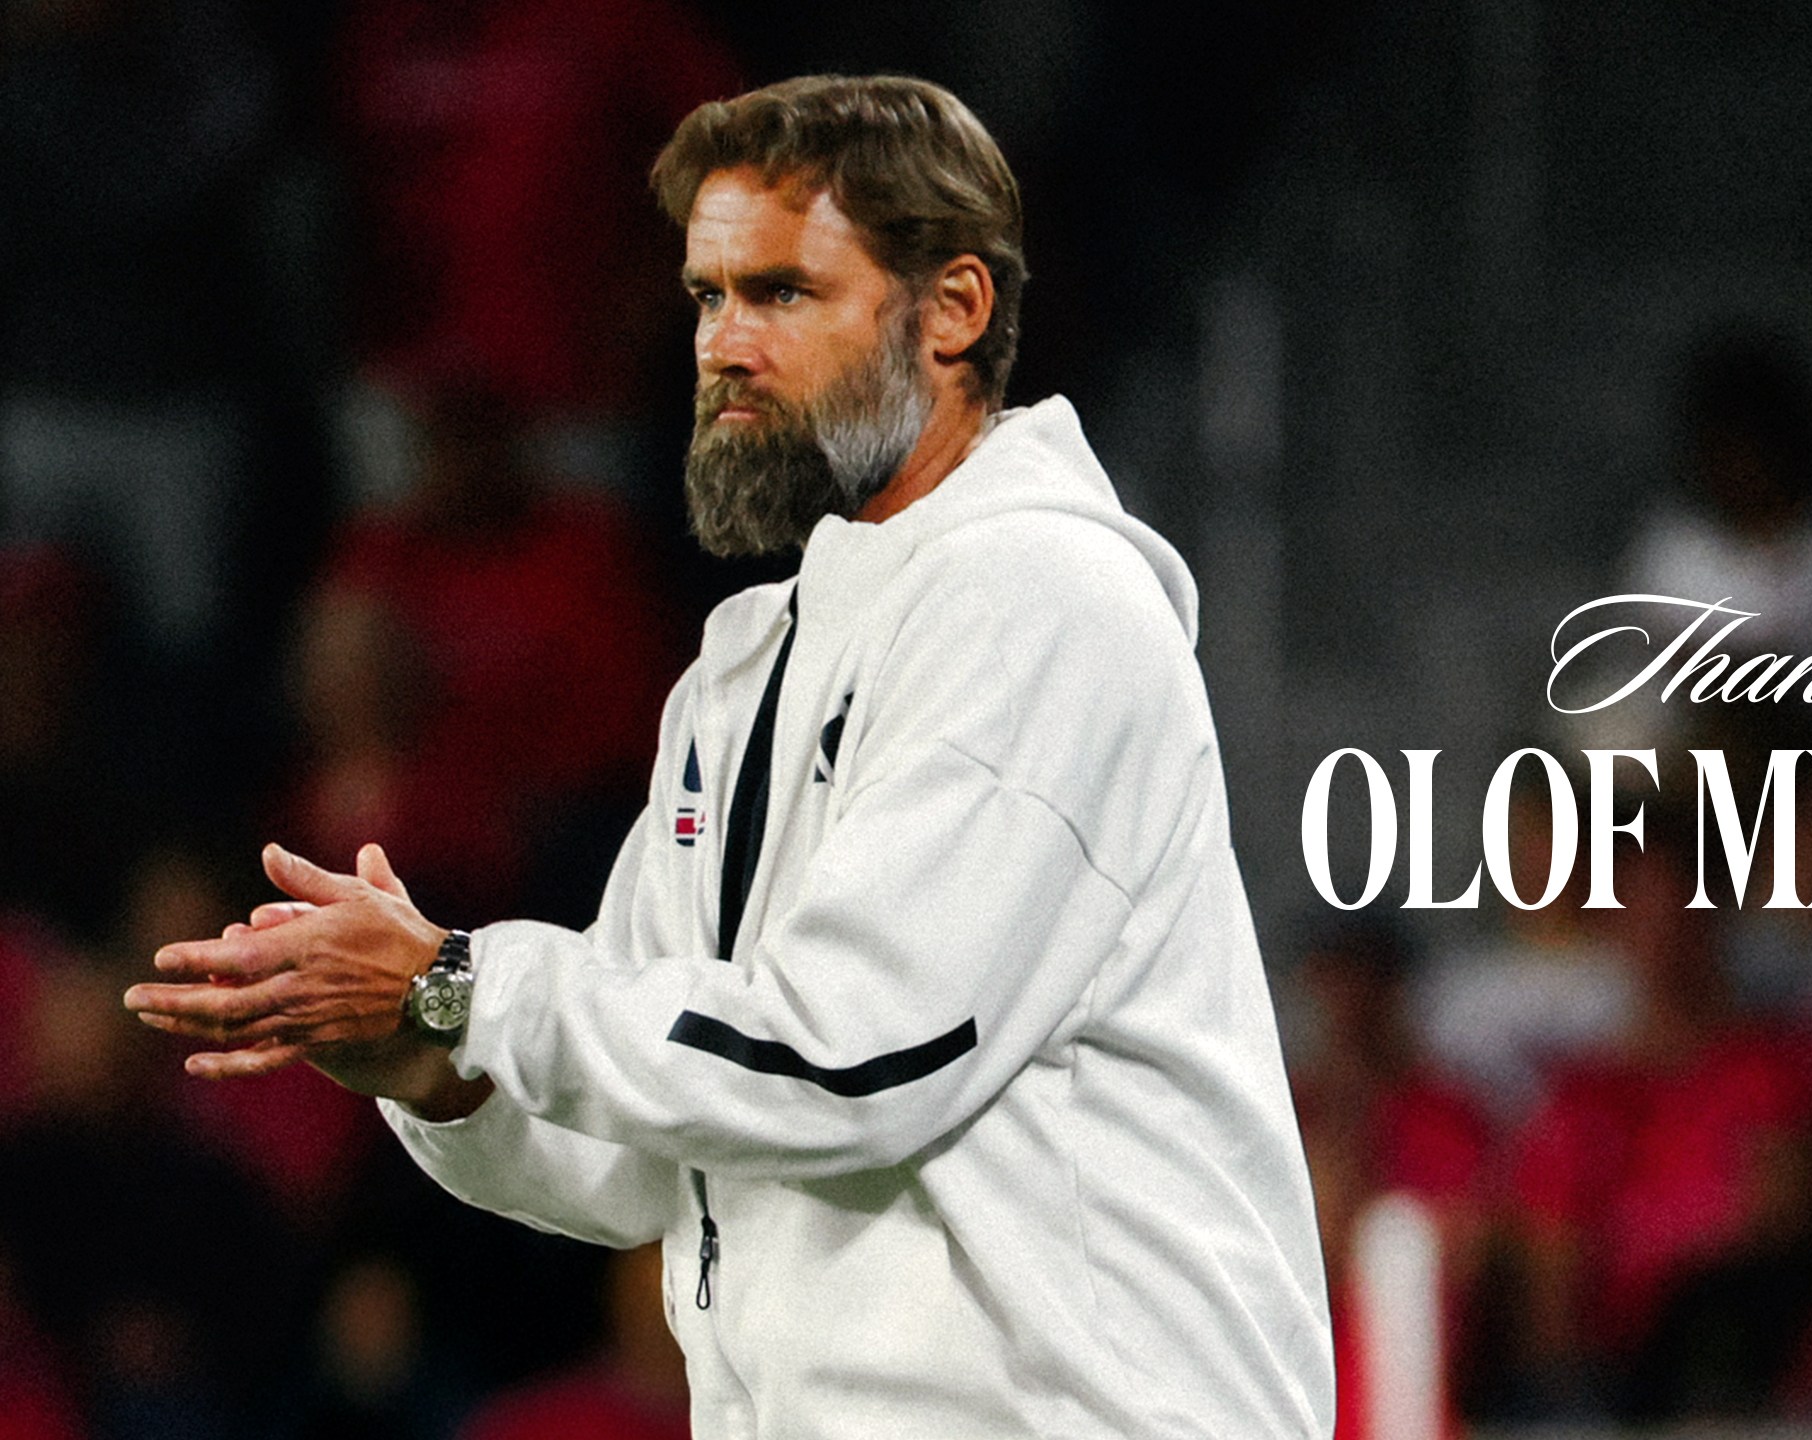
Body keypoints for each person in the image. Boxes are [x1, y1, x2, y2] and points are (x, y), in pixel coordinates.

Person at [125, 74, 1332, 1438]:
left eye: (782, 293)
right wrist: (426, 1057)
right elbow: (658, 1137)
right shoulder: (747, 666)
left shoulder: (1042, 600)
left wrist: (462, 984)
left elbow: (853, 1057)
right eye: (708, 296)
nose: (725, 346)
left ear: (953, 310)